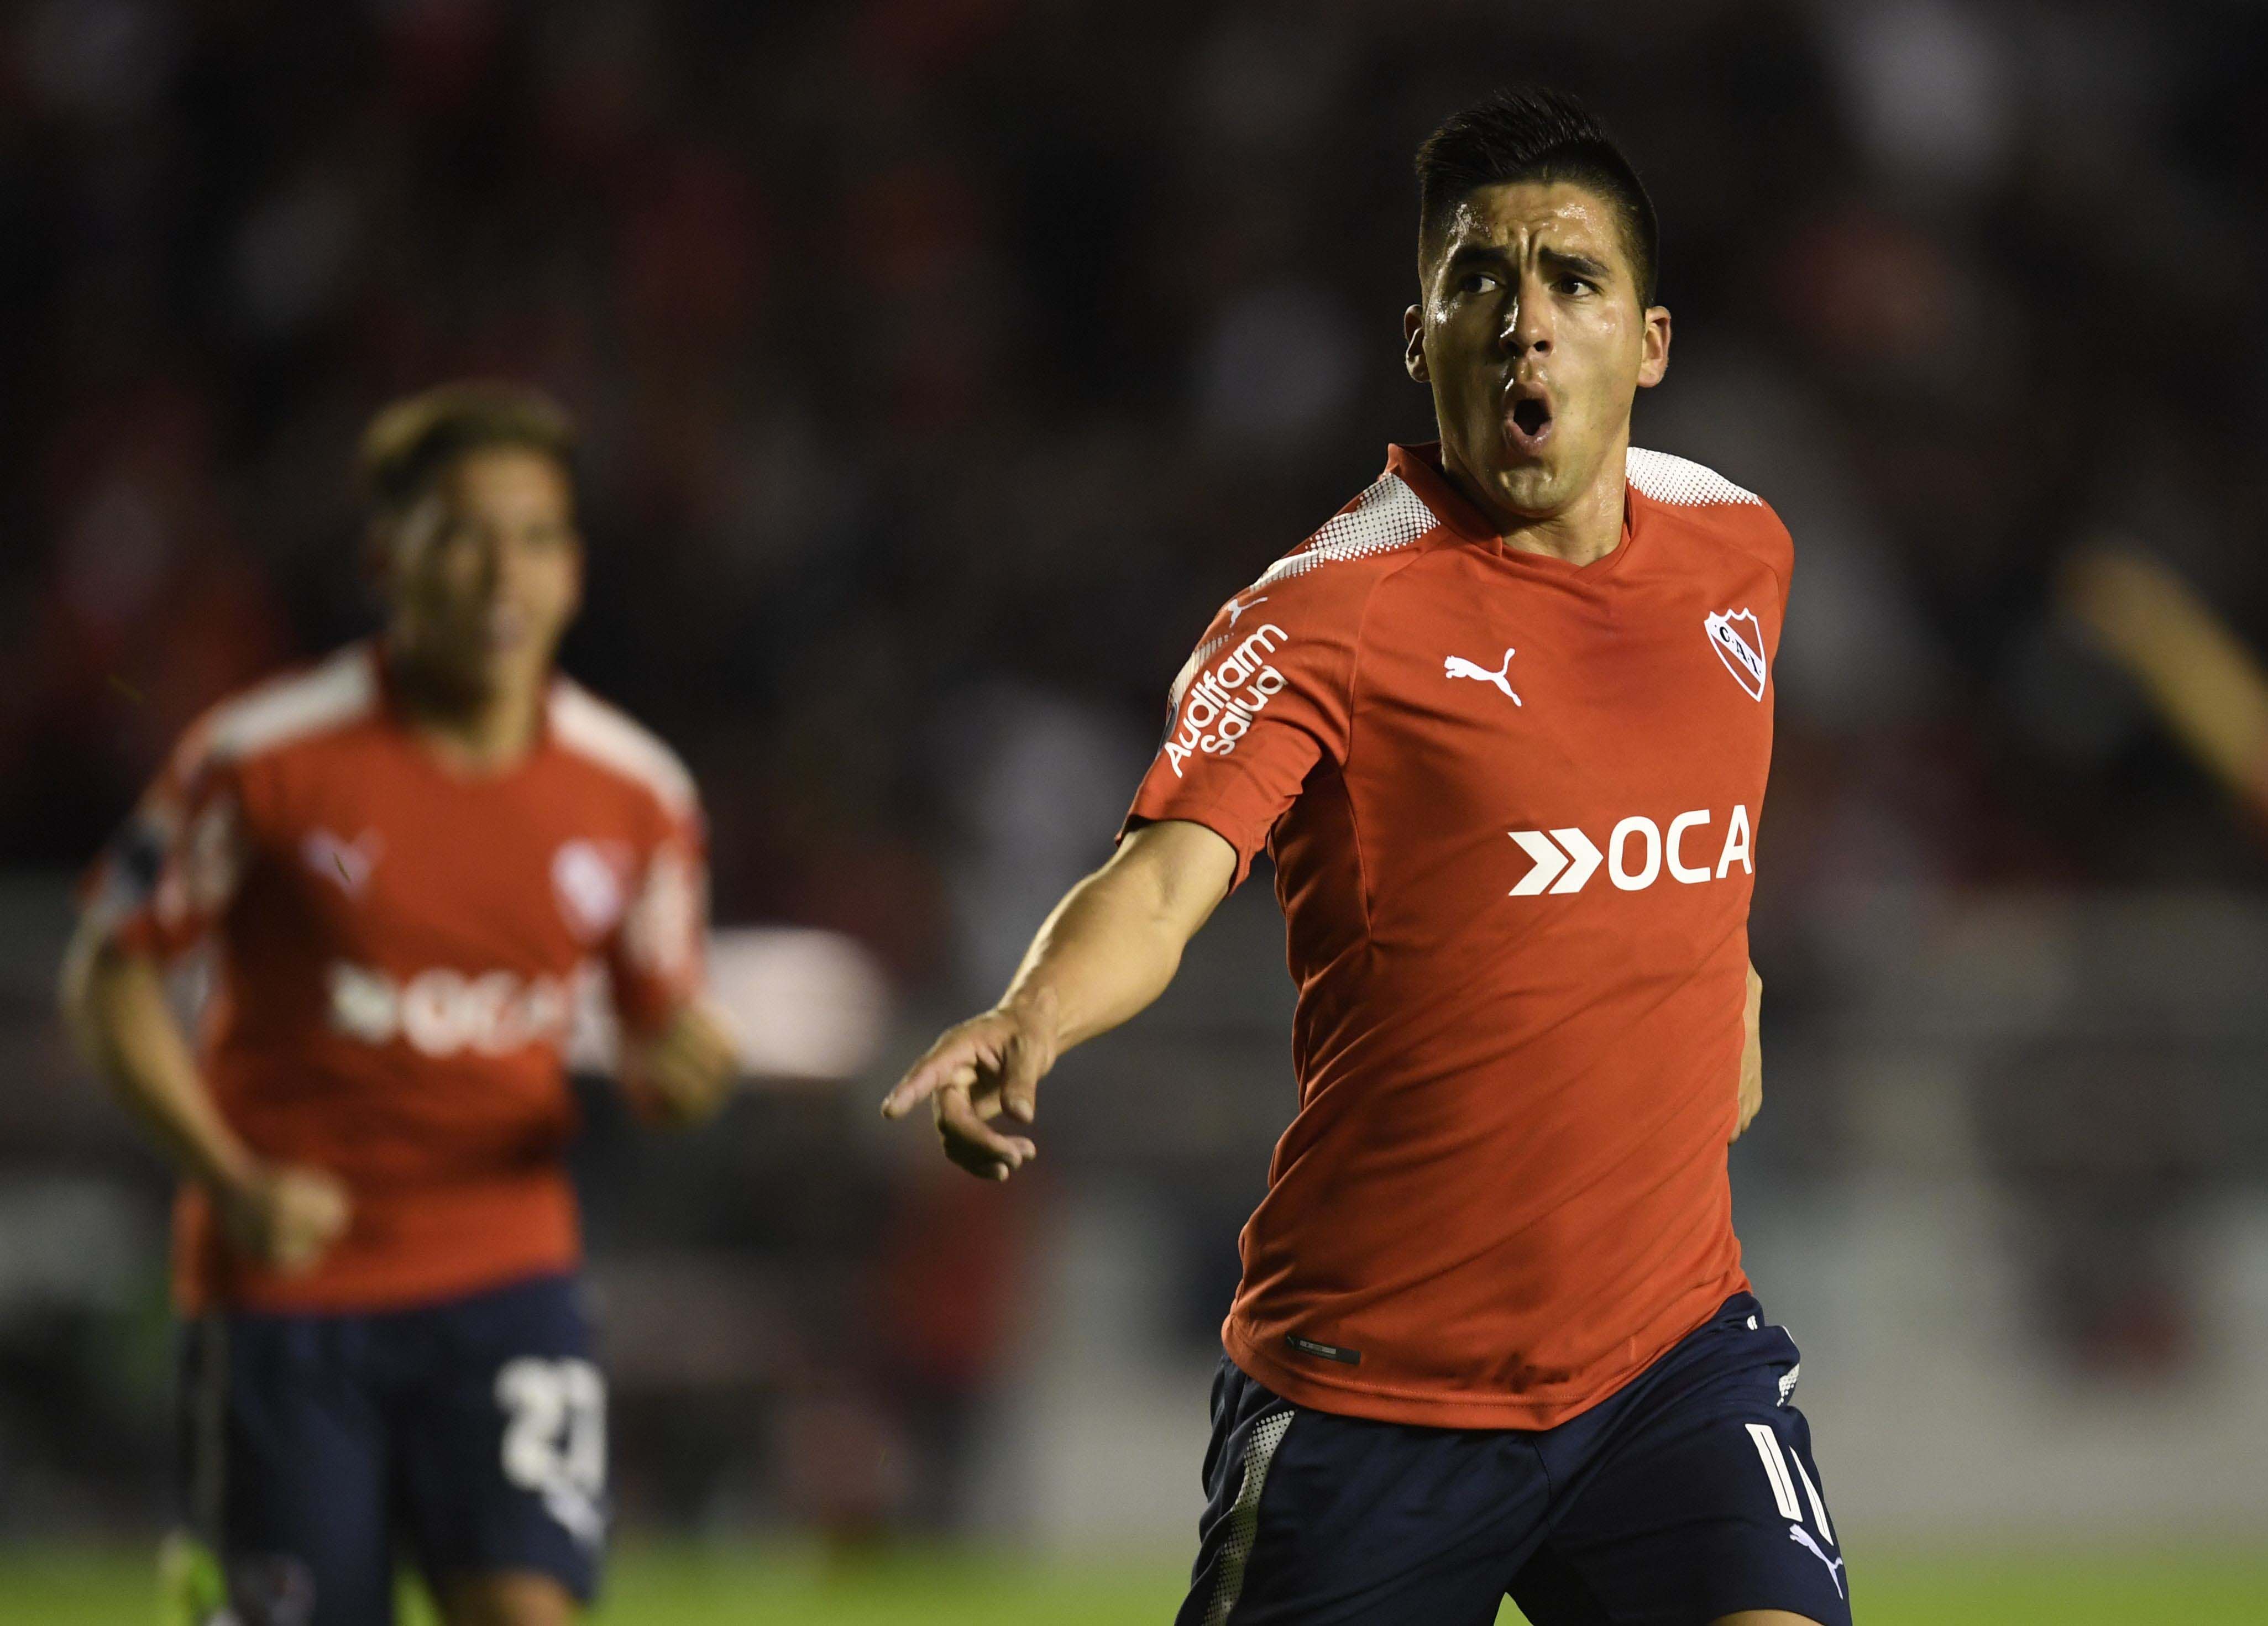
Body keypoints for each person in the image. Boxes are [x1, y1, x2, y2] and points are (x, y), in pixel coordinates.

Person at [883, 90, 1845, 1625]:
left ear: (1649, 342)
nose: (1526, 321)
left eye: (1573, 280)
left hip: (1667, 1360)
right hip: (1378, 1391)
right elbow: (1160, 879)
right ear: (1422, 338)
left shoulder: (1743, 550)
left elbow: (1688, 820)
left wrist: (1722, 975)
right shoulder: (1327, 611)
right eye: (1480, 281)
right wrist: (1034, 1013)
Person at [60, 383, 740, 1626]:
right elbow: (110, 974)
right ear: (387, 558)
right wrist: (231, 1176)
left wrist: (685, 1077)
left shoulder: (640, 795)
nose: (502, 573)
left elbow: (658, 1044)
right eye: (463, 534)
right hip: (287, 1292)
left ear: (574, 569)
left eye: (534, 537)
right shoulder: (260, 758)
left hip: (506, 1275)